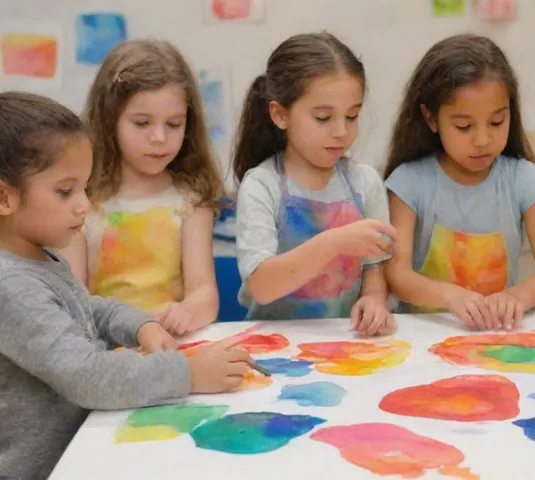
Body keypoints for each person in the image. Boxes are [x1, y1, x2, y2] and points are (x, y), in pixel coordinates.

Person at [0, 91, 254, 480]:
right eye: (65, 191)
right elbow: (87, 377)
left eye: (85, 188)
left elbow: (84, 307)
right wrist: (187, 373)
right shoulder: (11, 285)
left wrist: (138, 324)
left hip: (84, 449)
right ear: (4, 196)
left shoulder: (38, 256)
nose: (84, 204)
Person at [383, 34, 535, 331]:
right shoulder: (409, 183)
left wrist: (517, 296)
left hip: (497, 335)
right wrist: (449, 295)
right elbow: (396, 274)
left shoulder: (525, 181)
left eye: (497, 122)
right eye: (464, 126)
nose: (483, 140)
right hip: (422, 336)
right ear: (431, 119)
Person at [233, 32, 398, 336]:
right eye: (323, 118)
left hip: (346, 342)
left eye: (352, 116)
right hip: (276, 345)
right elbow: (262, 286)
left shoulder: (365, 183)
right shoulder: (262, 185)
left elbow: (375, 264)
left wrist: (374, 299)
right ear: (280, 114)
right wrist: (334, 241)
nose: (341, 131)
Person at [61, 40, 223, 336]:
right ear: (110, 120)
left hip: (172, 347)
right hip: (105, 351)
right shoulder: (82, 200)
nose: (159, 137)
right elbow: (74, 301)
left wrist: (188, 311)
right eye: (142, 123)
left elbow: (205, 294)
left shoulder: (190, 198)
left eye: (174, 124)